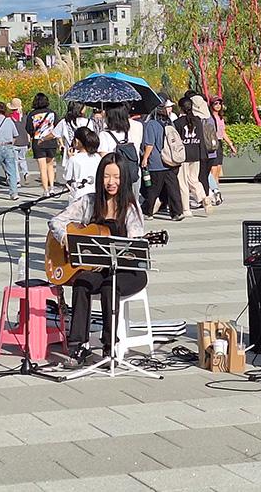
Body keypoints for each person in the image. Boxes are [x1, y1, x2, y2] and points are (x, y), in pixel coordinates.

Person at [47, 153, 148, 365]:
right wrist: (66, 239)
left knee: (109, 287)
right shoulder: (89, 202)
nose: (111, 182)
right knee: (82, 282)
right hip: (97, 268)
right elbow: (56, 221)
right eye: (106, 176)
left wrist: (130, 246)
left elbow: (136, 245)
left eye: (117, 177)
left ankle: (109, 346)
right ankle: (78, 346)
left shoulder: (131, 207)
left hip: (127, 271)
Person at [173, 96, 212, 219]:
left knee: (183, 183)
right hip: (196, 154)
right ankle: (204, 197)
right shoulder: (197, 121)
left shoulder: (177, 123)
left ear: (181, 108)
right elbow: (200, 139)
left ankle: (186, 209)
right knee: (194, 179)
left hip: (183, 156)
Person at [140, 105, 182, 220]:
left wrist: (145, 158)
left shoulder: (151, 125)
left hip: (156, 161)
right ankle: (177, 212)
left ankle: (148, 212)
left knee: (153, 188)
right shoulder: (169, 123)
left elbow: (150, 144)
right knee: (173, 187)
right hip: (170, 161)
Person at [27, 93, 59, 195]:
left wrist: (34, 133)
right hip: (51, 141)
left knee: (42, 168)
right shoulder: (52, 113)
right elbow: (57, 127)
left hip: (38, 142)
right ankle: (52, 187)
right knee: (50, 165)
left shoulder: (32, 115)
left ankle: (45, 190)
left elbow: (29, 129)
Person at [208, 96, 236, 194]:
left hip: (219, 143)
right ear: (211, 105)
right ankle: (212, 191)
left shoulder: (220, 118)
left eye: (219, 103)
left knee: (218, 168)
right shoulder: (209, 117)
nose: (218, 105)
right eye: (215, 103)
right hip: (212, 143)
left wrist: (231, 145)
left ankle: (216, 190)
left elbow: (223, 132)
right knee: (213, 169)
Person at [63, 127, 101, 198]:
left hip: (78, 194)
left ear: (77, 141)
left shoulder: (74, 159)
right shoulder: (97, 157)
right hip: (95, 193)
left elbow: (67, 176)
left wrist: (70, 157)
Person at [8, 97, 31, 186]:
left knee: (14, 161)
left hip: (14, 141)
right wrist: (29, 141)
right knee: (23, 159)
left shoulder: (10, 118)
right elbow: (28, 131)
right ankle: (26, 173)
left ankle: (17, 180)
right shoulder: (25, 117)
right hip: (24, 141)